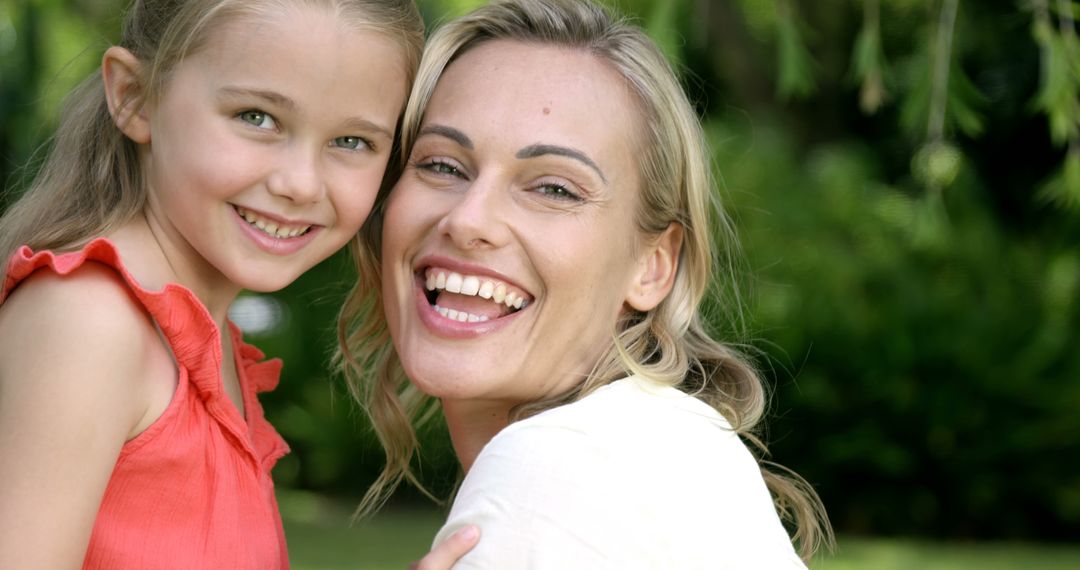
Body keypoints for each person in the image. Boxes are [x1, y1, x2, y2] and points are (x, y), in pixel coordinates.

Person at [338, 0, 833, 567]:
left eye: (553, 189)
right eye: (442, 166)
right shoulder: (662, 444)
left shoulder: (554, 466)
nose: (468, 220)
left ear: (652, 265)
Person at [0, 0, 478, 568]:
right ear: (133, 96)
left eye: (352, 142)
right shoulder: (90, 321)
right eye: (257, 117)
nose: (300, 184)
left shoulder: (202, 341)